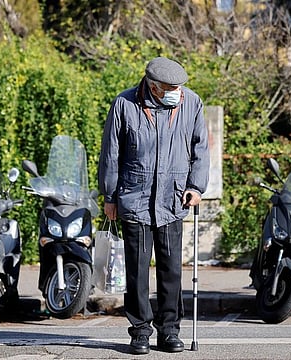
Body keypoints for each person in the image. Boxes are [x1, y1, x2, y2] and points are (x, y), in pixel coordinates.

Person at [98, 57, 210, 355]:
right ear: (153, 86)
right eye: (171, 88)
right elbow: (111, 152)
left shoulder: (192, 103)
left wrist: (196, 186)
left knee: (171, 271)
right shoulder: (124, 104)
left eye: (179, 87)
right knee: (136, 272)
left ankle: (170, 331)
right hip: (134, 198)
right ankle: (140, 332)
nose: (178, 92)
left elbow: (201, 148)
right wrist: (109, 196)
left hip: (173, 199)